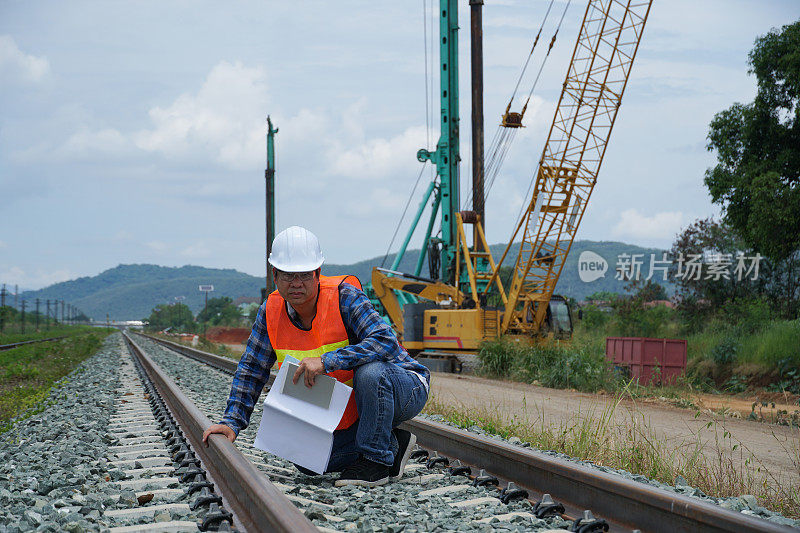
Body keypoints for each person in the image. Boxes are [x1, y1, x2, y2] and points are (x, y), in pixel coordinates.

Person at [202, 226, 429, 487]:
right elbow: (252, 369)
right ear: (275, 276)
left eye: (304, 275)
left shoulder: (345, 297)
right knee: (307, 460)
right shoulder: (271, 311)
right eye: (287, 275)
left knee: (371, 372)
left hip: (402, 386)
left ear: (318, 274)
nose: (296, 283)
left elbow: (385, 342)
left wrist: (327, 361)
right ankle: (393, 444)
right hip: (354, 402)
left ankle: (376, 462)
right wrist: (231, 423)